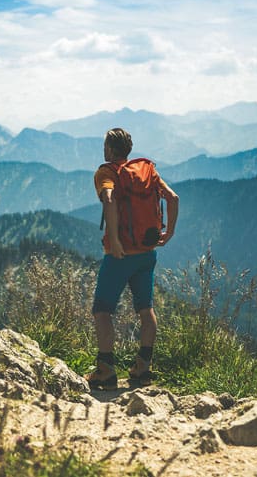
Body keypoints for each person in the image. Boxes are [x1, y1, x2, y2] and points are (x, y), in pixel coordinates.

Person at [85, 127, 179, 390]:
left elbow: (110, 199)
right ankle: (142, 369)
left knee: (102, 311)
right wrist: (168, 232)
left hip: (120, 256)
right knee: (145, 310)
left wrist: (114, 240)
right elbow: (173, 198)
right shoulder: (146, 172)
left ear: (109, 149)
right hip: (146, 254)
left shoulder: (107, 173)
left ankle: (105, 370)